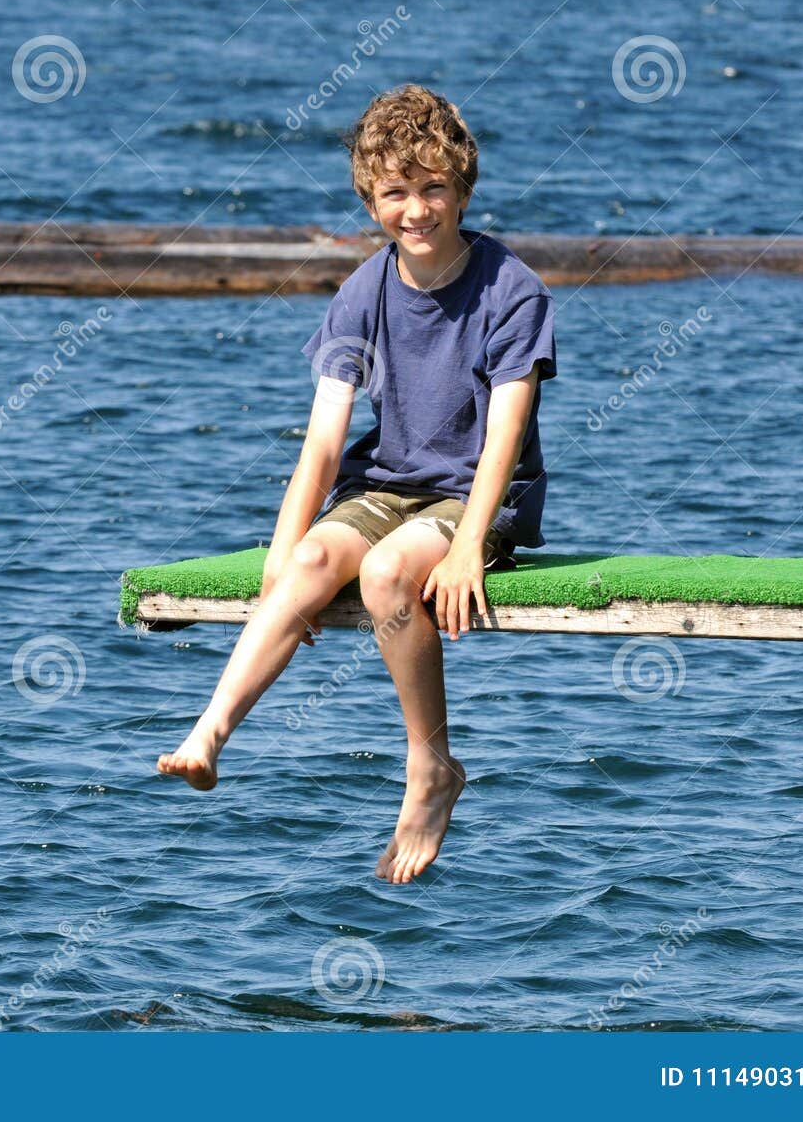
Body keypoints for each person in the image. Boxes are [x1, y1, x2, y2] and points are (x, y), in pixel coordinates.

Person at [157, 84, 558, 884]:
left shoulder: (511, 288)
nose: (417, 209)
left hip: (477, 496)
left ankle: (430, 767)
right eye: (396, 192)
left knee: (383, 575)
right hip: (389, 483)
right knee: (308, 566)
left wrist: (469, 545)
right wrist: (282, 555)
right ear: (371, 201)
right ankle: (209, 733)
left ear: (464, 187)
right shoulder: (363, 291)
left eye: (434, 186)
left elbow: (505, 435)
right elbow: (323, 441)